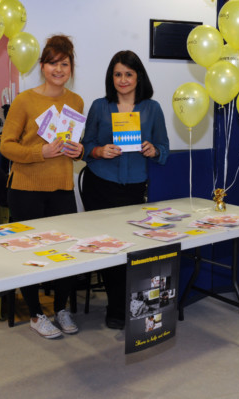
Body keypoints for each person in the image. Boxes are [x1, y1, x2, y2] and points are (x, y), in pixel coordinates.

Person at [0, 35, 85, 339]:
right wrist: (41, 152)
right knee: (31, 253)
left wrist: (79, 150)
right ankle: (36, 314)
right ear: (42, 66)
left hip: (61, 186)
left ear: (71, 67)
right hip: (26, 188)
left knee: (65, 252)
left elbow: (72, 142)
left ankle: (60, 308)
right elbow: (6, 146)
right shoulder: (24, 100)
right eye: (52, 63)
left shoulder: (76, 101)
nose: (58, 69)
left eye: (64, 63)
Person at [81, 50, 169, 330]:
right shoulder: (99, 106)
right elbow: (84, 147)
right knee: (110, 250)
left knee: (134, 248)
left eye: (128, 74)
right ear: (111, 77)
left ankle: (138, 306)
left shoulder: (152, 108)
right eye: (117, 74)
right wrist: (98, 150)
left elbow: (164, 149)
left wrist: (153, 149)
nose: (123, 79)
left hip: (134, 189)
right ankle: (116, 307)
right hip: (100, 185)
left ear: (138, 76)